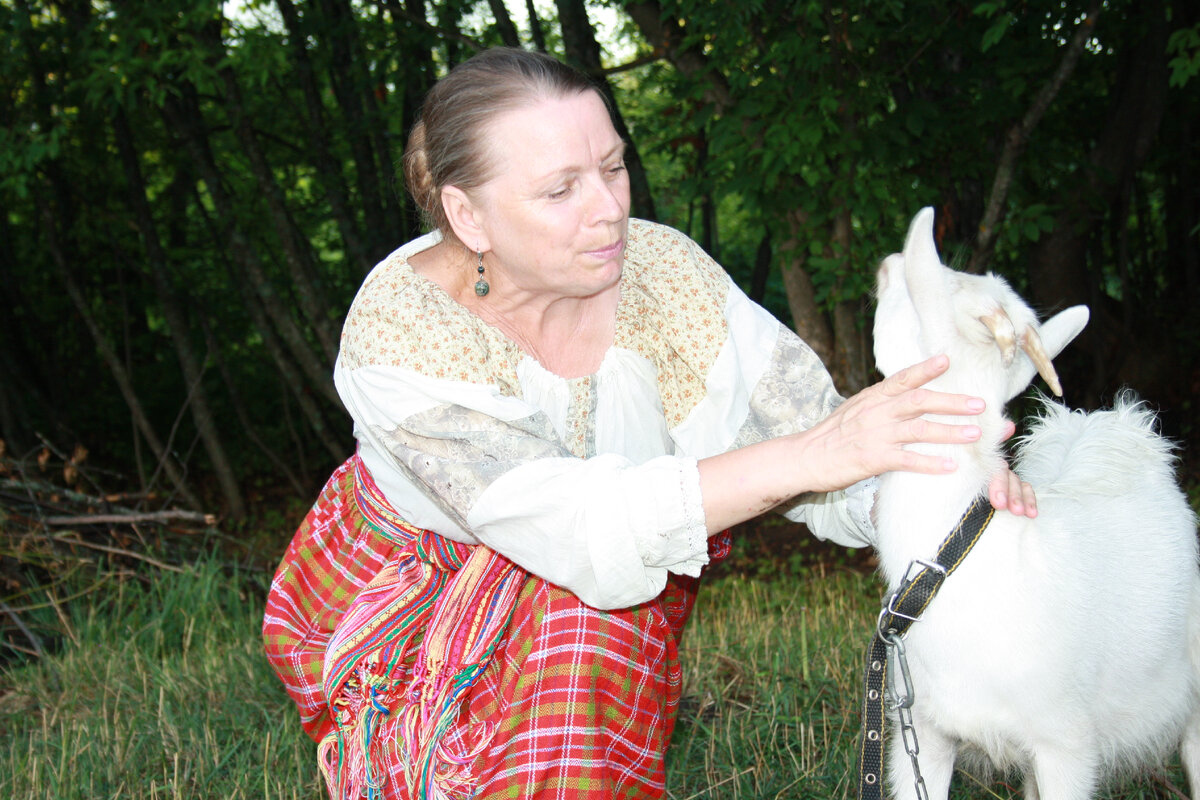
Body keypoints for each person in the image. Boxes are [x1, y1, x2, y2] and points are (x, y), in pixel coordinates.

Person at [262, 46, 1036, 800]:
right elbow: (577, 530)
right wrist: (812, 456)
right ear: (468, 214)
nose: (610, 209)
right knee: (583, 605)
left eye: (612, 167)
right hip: (409, 594)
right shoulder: (401, 327)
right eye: (560, 189)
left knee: (590, 623)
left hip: (593, 603)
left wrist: (957, 490)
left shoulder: (665, 277)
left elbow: (824, 437)